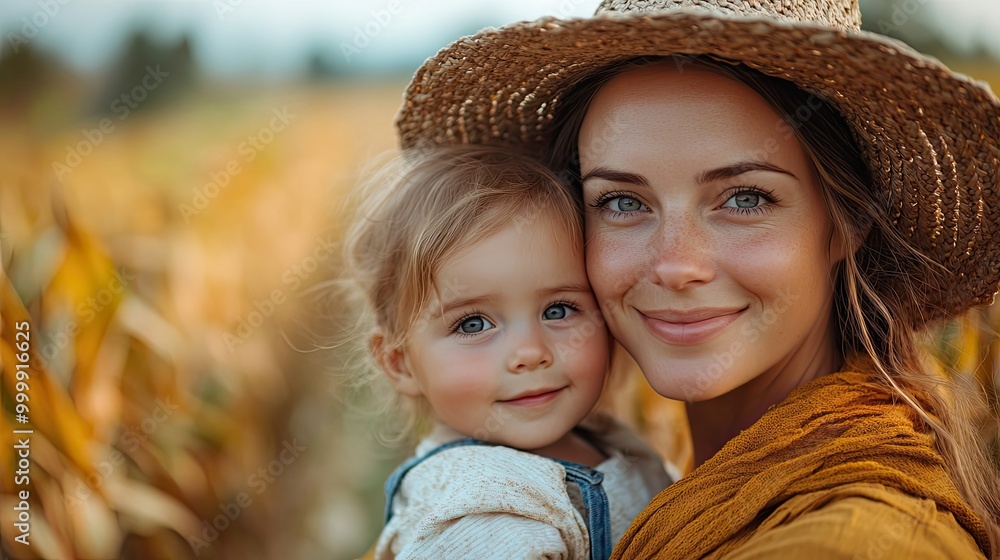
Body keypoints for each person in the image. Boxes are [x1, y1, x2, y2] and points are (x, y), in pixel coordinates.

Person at [393, 0, 1000, 558]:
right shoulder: (638, 476)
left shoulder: (851, 541)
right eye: (622, 202)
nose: (676, 264)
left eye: (744, 197)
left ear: (849, 222)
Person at [344, 145, 672, 559]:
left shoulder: (610, 441)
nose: (530, 353)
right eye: (474, 324)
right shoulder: (480, 517)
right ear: (400, 362)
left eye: (558, 310)